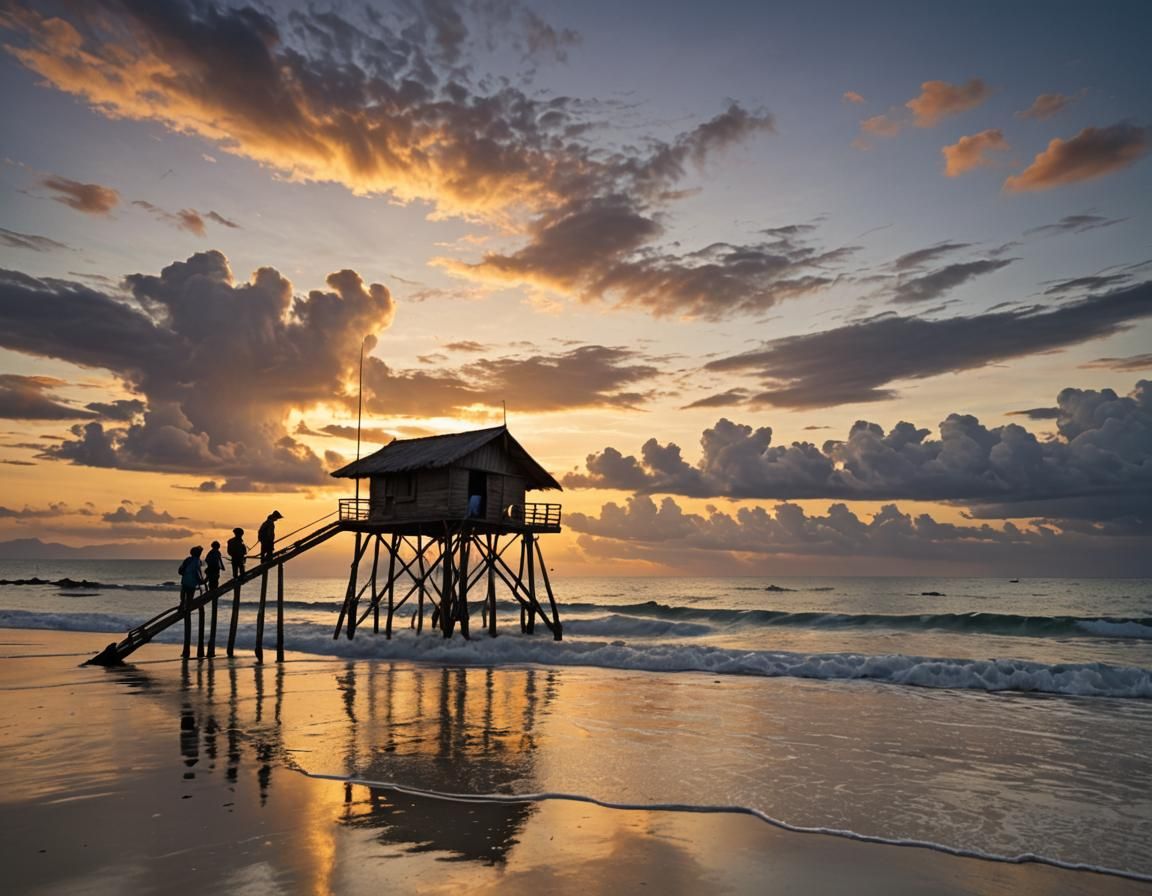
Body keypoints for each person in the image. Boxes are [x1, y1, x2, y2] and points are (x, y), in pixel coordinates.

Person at [178, 546, 204, 658]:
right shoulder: (197, 561)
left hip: (184, 580)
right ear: (198, 554)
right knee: (190, 597)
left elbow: (181, 569)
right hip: (192, 582)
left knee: (183, 596)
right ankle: (187, 608)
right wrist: (201, 581)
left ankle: (182, 606)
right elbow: (197, 571)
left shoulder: (187, 559)